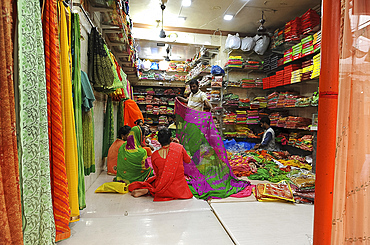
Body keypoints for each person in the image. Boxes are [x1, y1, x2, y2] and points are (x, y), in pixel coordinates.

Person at [129, 128, 193, 201]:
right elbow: (188, 160)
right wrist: (178, 146)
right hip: (179, 189)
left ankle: (149, 190)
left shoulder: (155, 155)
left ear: (158, 141)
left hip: (161, 187)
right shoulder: (179, 148)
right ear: (170, 138)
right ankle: (149, 191)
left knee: (155, 181)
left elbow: (158, 174)